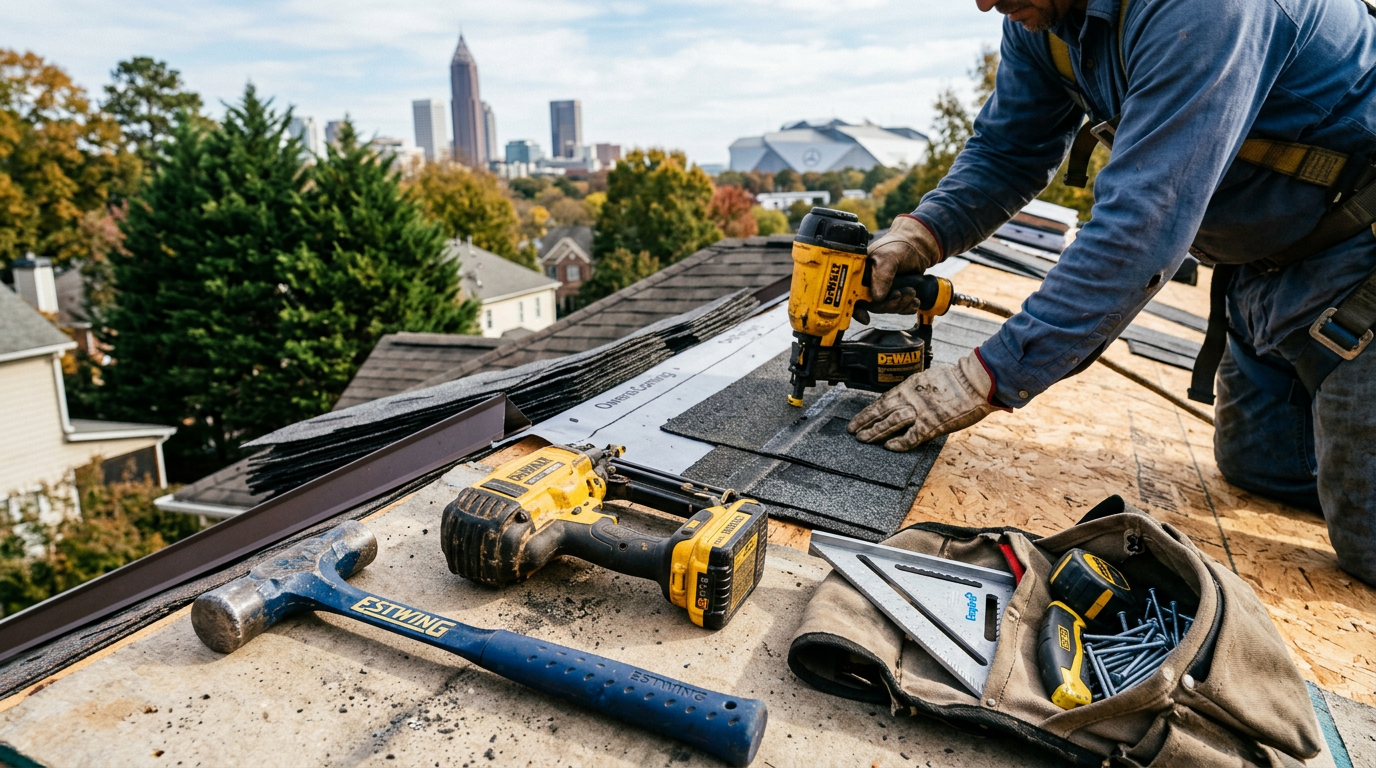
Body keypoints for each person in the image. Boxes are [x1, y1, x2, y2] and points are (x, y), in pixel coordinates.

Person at [847, 0, 1376, 586]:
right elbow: (1008, 151)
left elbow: (1143, 227)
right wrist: (921, 235)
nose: (984, 2)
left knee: (1368, 548)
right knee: (1263, 471)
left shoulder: (1206, 10)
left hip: (1362, 266)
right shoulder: (1043, 22)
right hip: (1268, 278)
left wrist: (983, 378)